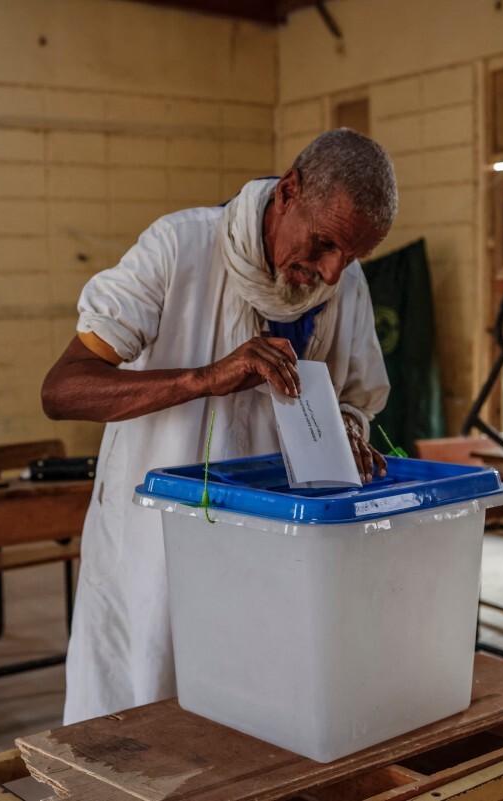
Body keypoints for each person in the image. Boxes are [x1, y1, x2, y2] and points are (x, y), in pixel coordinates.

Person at [40, 128, 397, 724]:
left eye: (352, 257)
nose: (333, 273)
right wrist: (204, 379)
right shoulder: (180, 249)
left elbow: (354, 399)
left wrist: (350, 436)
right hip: (155, 544)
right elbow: (61, 390)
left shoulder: (342, 287)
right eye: (324, 243)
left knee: (257, 722)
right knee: (147, 712)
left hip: (271, 548)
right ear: (287, 193)